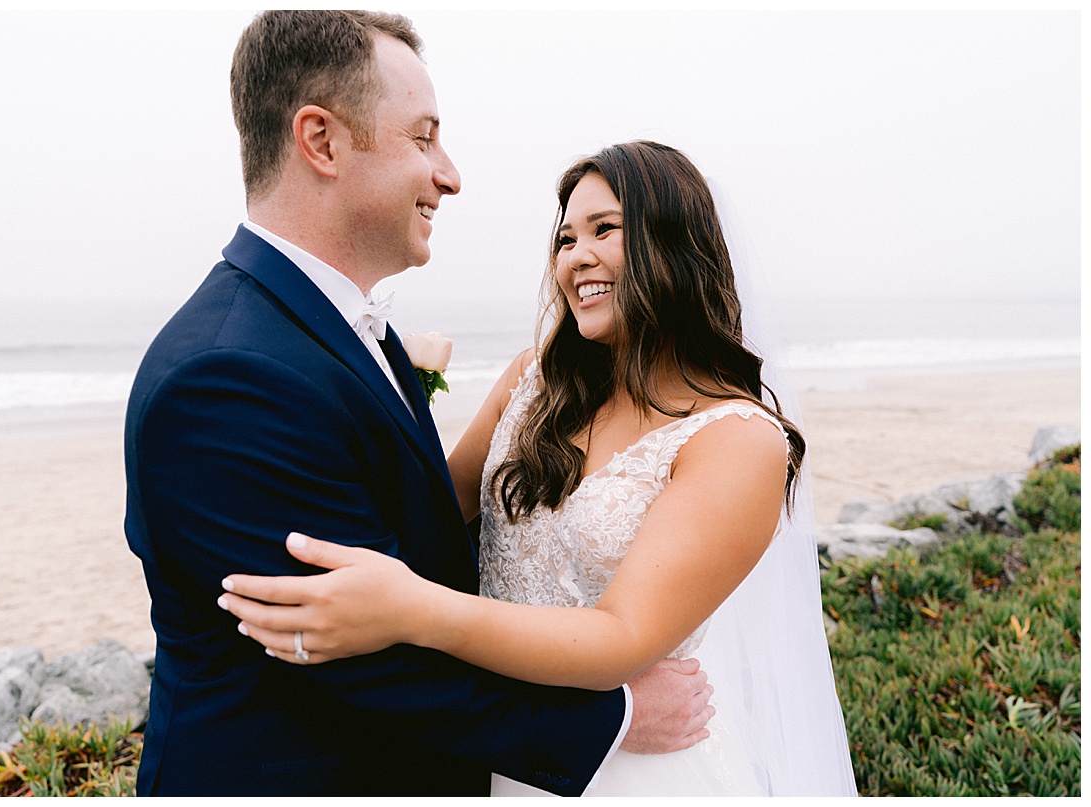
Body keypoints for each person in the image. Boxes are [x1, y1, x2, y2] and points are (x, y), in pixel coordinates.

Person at [123, 12, 712, 797]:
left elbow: (425, 531)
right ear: (322, 141)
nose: (450, 174)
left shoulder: (343, 328)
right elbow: (360, 654)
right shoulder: (228, 375)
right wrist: (609, 718)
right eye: (422, 137)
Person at [218, 141, 860, 795]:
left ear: (676, 243)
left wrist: (413, 609)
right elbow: (429, 513)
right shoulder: (532, 382)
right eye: (564, 239)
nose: (576, 257)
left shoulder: (737, 441)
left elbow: (622, 636)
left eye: (604, 230)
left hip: (635, 772)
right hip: (500, 749)